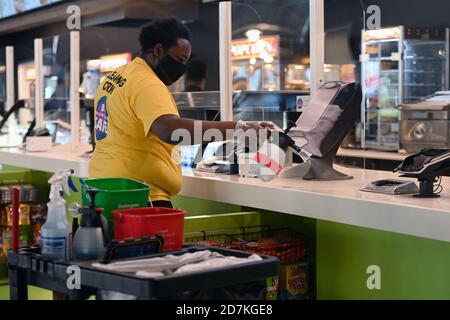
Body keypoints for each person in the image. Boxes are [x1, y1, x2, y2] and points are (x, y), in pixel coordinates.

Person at [89, 17, 275, 208]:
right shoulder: (146, 83)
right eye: (179, 60)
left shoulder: (115, 77)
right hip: (139, 198)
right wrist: (238, 128)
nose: (182, 68)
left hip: (102, 189)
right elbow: (170, 130)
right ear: (158, 50)